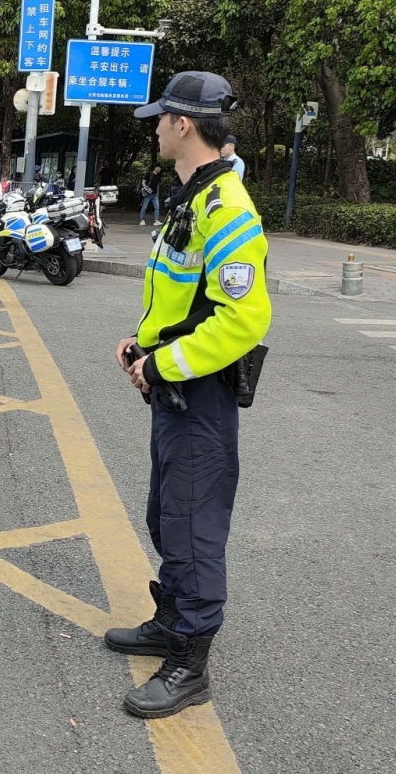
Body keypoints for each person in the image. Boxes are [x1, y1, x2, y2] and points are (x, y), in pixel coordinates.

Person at [107, 71, 271, 720]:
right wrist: (139, 344)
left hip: (199, 396)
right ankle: (169, 624)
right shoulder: (192, 197)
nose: (153, 127)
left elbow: (242, 319)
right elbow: (180, 295)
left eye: (160, 118)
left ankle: (190, 663)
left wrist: (164, 365)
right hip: (174, 389)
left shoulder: (227, 208)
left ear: (184, 125)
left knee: (194, 525)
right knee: (166, 516)